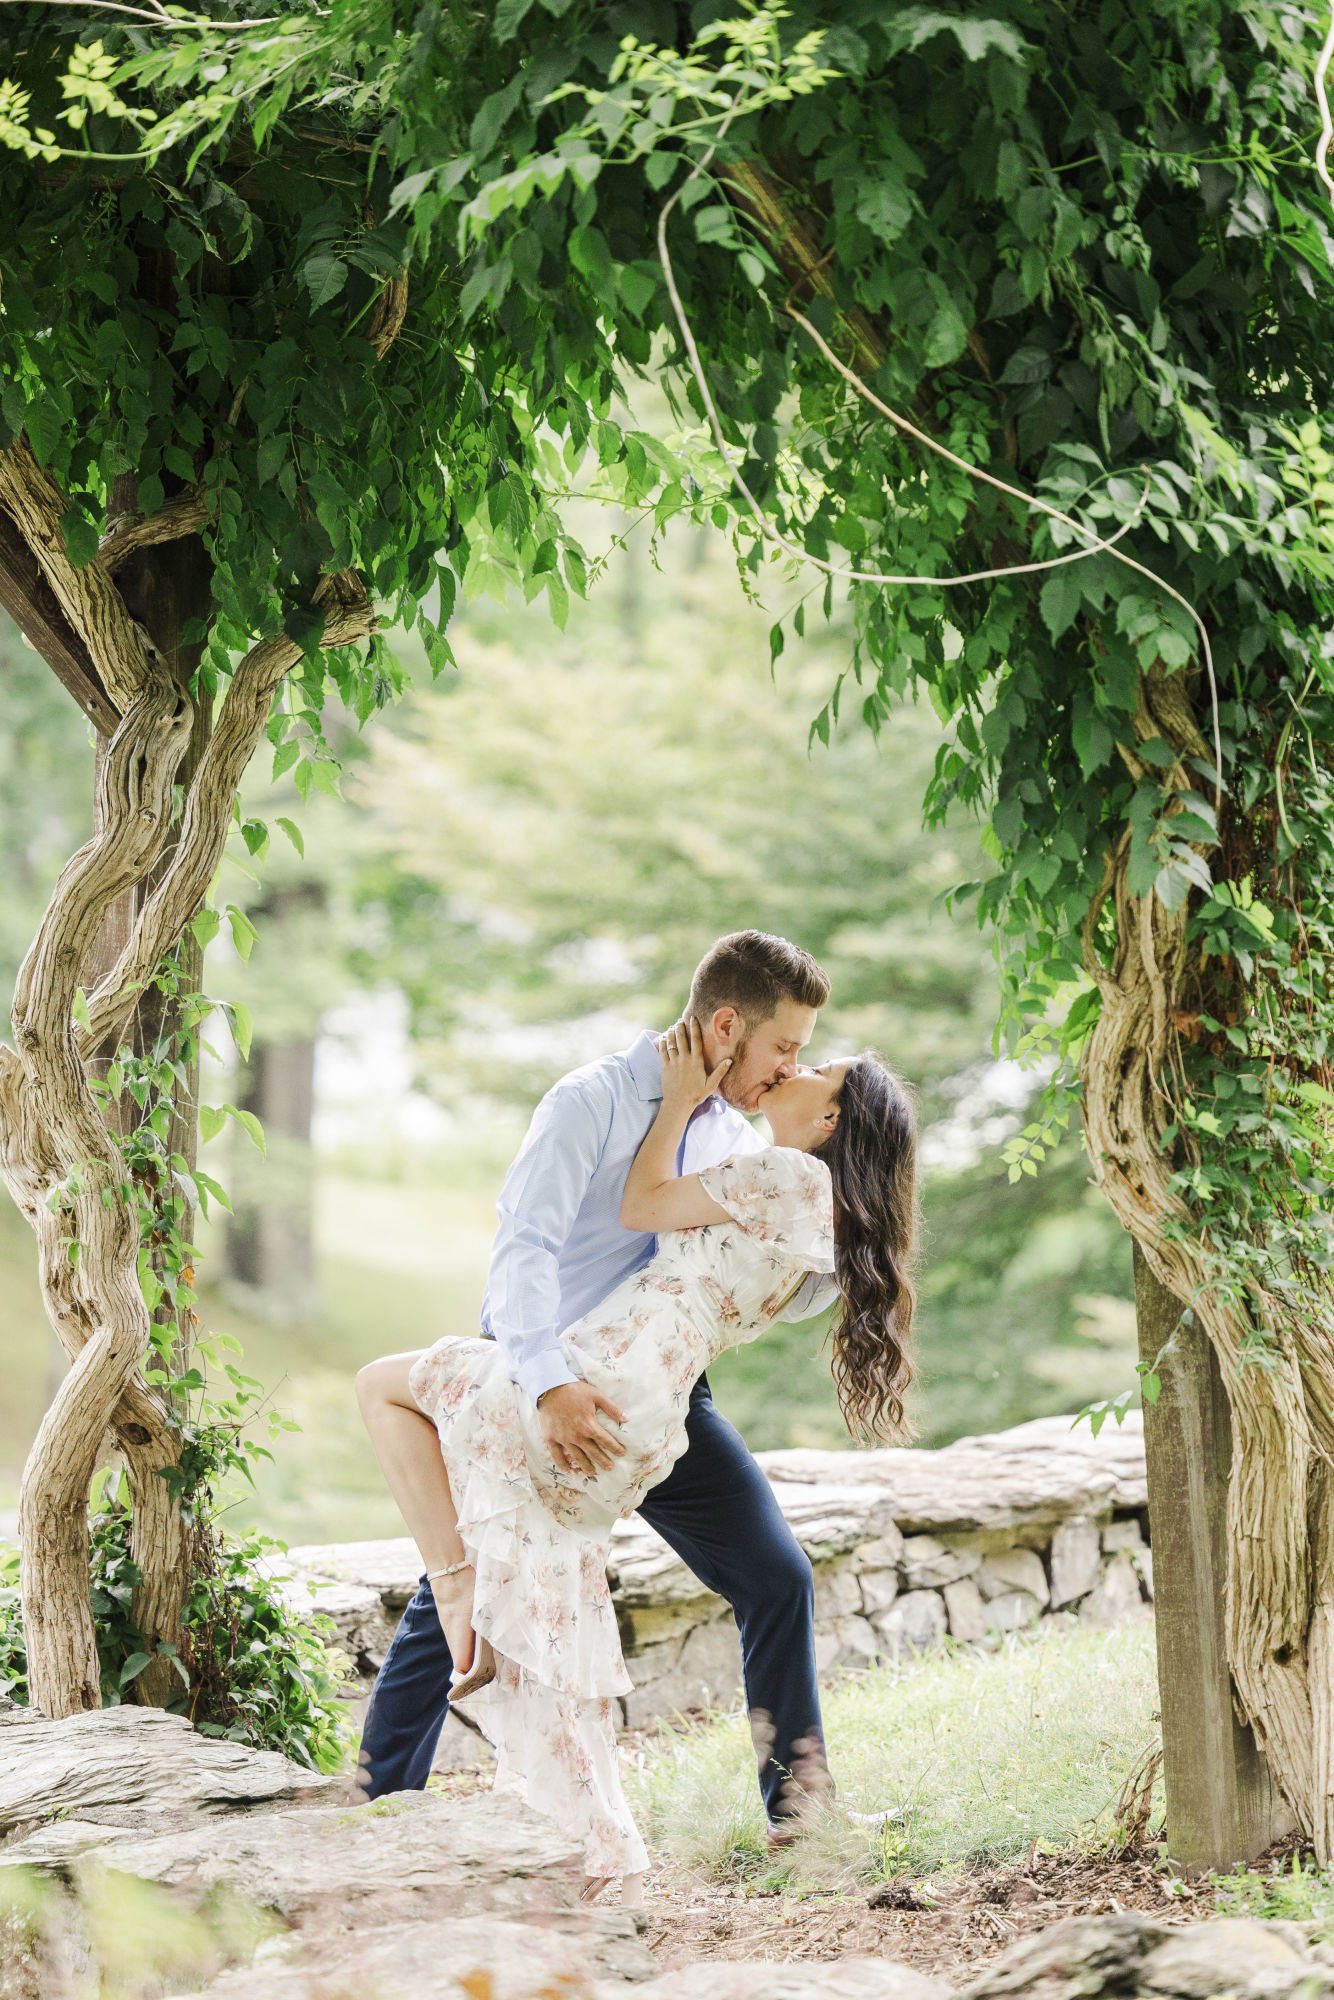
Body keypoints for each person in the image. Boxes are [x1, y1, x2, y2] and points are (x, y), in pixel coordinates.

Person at [355, 932, 916, 1887]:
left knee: (775, 1576)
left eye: (804, 1060)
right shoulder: (589, 1103)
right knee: (465, 1582)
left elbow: (751, 1256)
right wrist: (543, 1383)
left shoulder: (741, 1133)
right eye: (785, 1048)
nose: (789, 1067)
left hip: (657, 1399)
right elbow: (524, 1253)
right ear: (727, 1027)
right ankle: (377, 1804)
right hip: (543, 1371)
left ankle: (800, 1811)